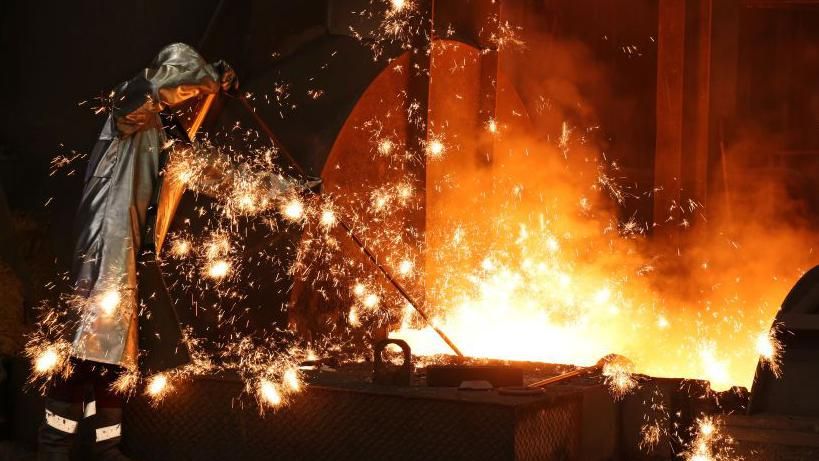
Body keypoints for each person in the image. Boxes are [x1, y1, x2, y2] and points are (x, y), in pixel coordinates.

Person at [37, 43, 238, 461]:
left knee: (114, 357)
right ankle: (54, 448)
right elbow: (155, 87)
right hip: (103, 246)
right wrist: (210, 76)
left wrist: (295, 193)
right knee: (86, 349)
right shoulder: (129, 112)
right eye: (190, 86)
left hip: (130, 255)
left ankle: (106, 447)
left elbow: (226, 177)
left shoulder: (172, 139)